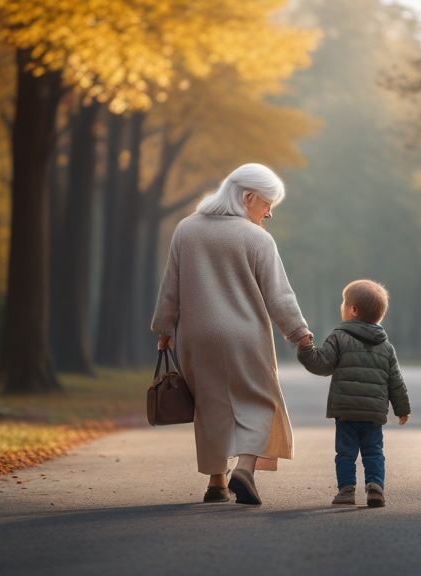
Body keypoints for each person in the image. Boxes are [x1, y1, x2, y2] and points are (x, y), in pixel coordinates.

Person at [151, 163, 313, 506]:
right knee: (259, 401)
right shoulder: (257, 238)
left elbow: (171, 286)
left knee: (210, 405)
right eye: (268, 204)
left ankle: (216, 483)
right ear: (249, 197)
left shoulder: (186, 229)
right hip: (245, 335)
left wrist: (164, 329)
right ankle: (244, 469)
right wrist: (299, 333)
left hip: (196, 338)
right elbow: (279, 296)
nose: (269, 213)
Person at [297, 280, 411, 508]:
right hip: (373, 414)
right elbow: (396, 381)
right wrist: (402, 409)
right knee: (374, 452)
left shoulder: (339, 337)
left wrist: (305, 348)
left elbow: (322, 365)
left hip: (346, 412)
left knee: (345, 453)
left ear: (353, 310)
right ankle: (375, 486)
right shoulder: (386, 346)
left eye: (343, 302)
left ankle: (347, 490)